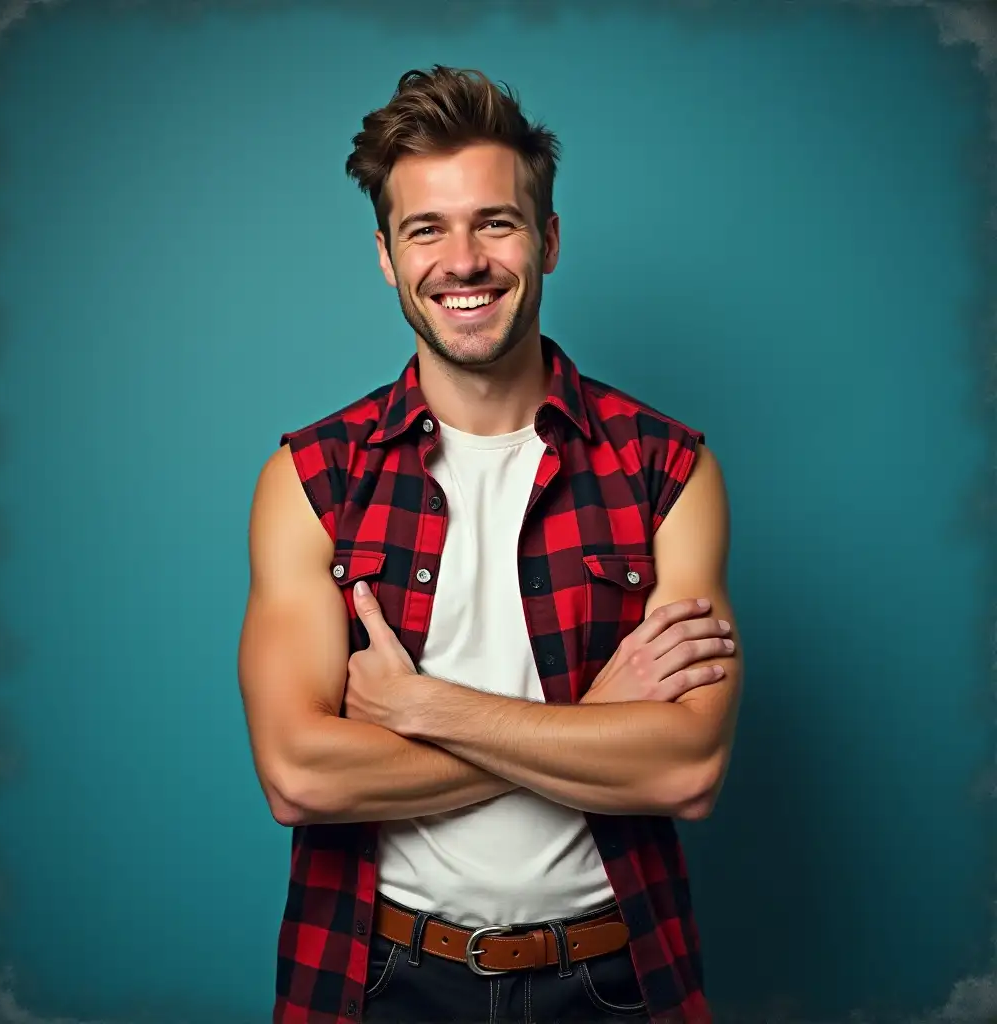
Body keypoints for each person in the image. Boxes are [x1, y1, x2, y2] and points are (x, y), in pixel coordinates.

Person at [238, 66, 743, 1024]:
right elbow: (300, 776)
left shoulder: (666, 470)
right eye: (425, 229)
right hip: (383, 978)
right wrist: (595, 721)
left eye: (495, 223)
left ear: (547, 240)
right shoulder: (313, 481)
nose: (462, 260)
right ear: (387, 256)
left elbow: (686, 770)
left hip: (615, 978)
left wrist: (420, 707)